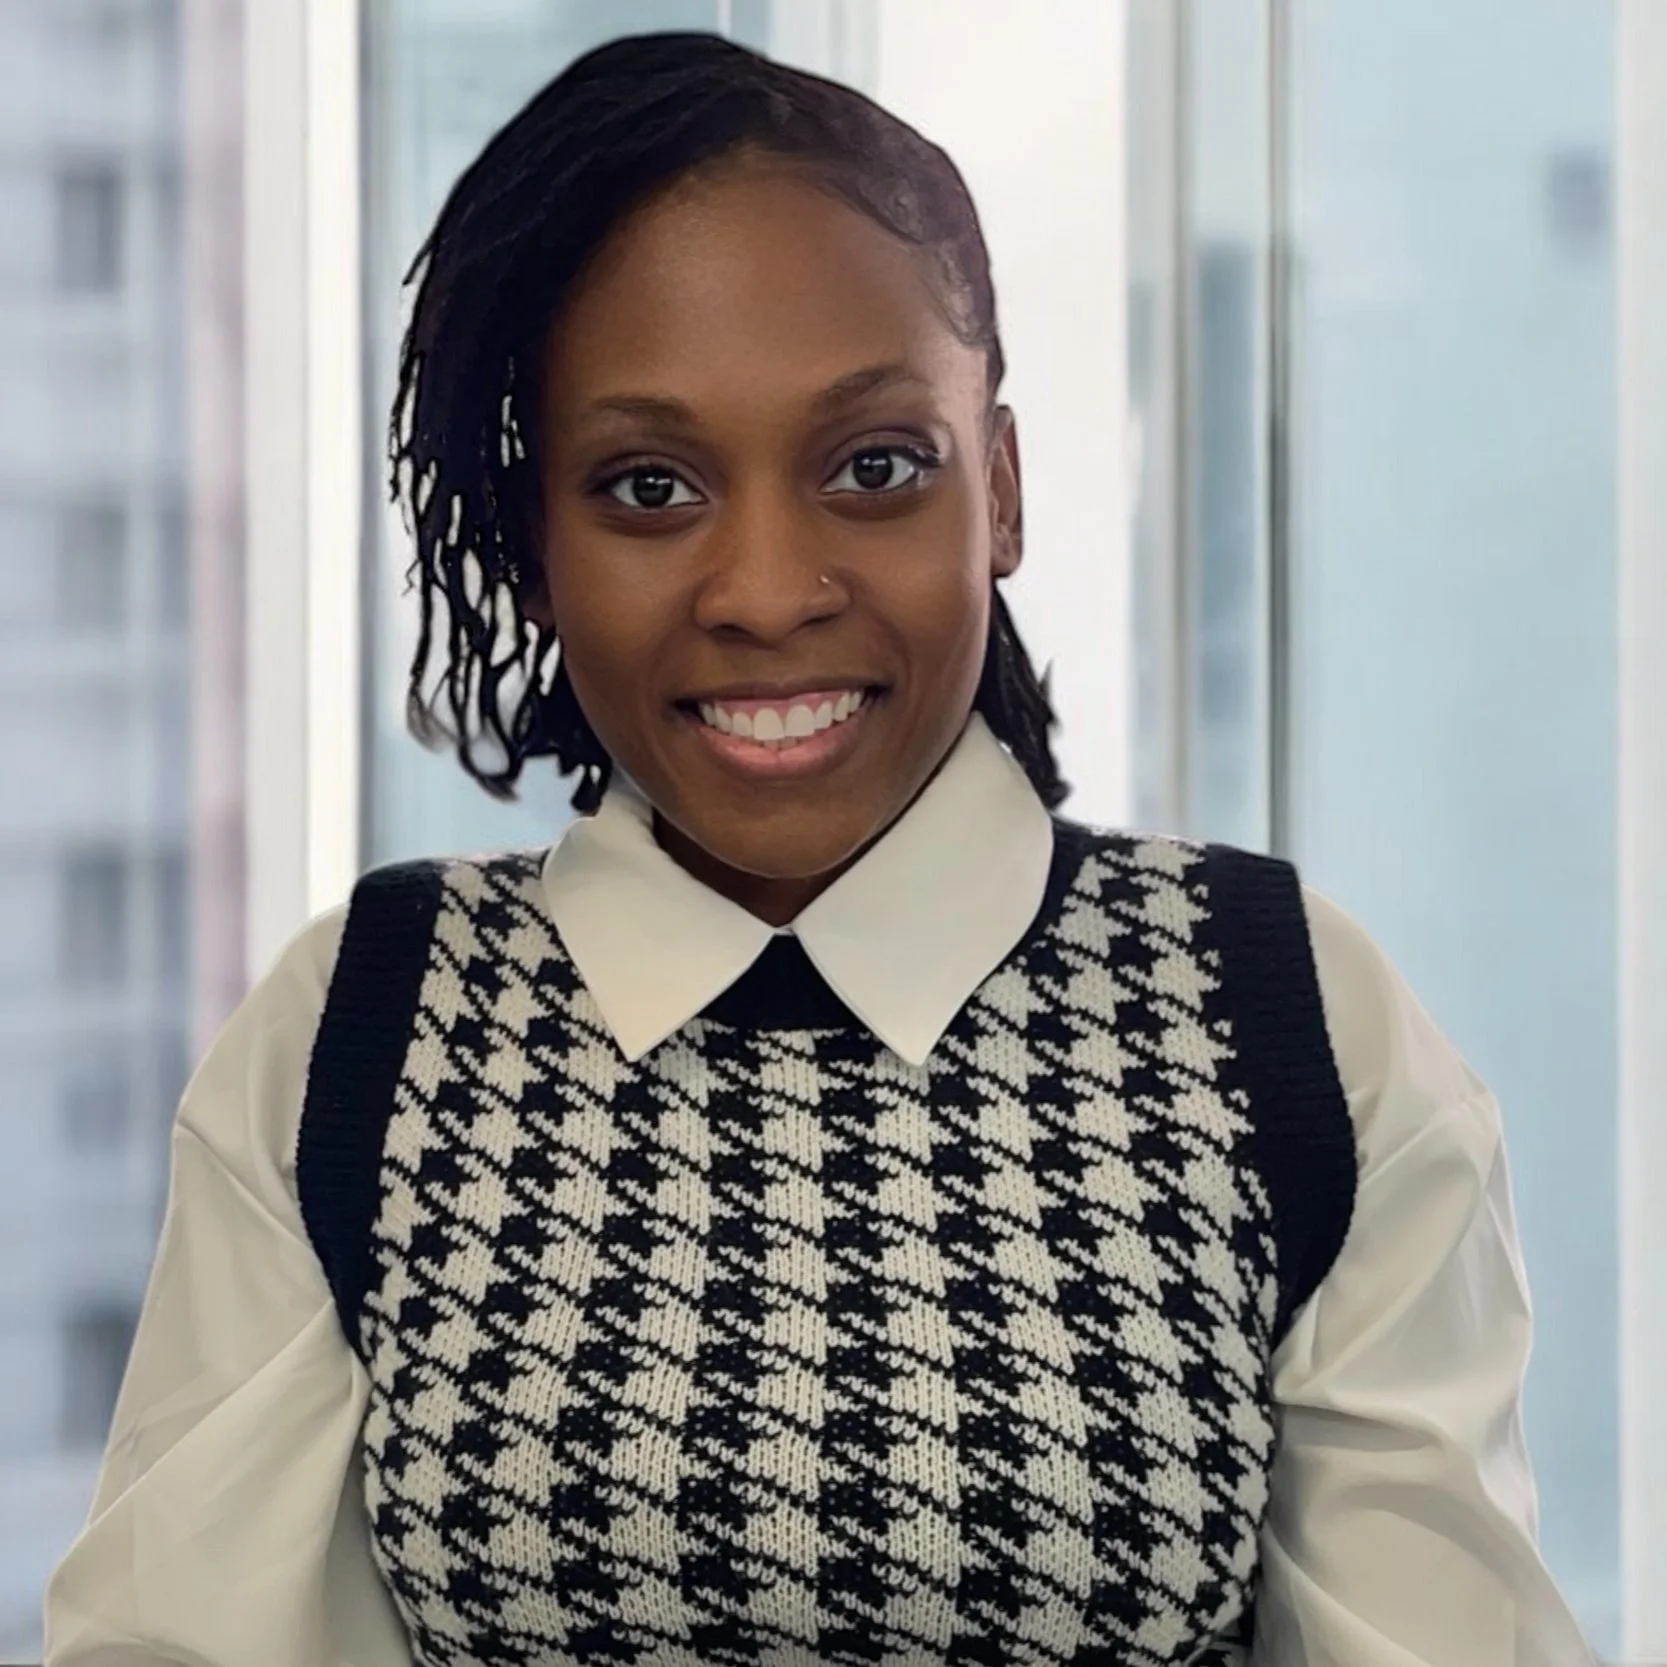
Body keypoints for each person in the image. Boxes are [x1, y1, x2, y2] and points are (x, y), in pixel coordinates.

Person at [43, 30, 1596, 1667]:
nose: (767, 588)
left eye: (873, 466)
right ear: (531, 544)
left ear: (995, 488)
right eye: (648, 486)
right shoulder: (363, 1031)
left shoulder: (1285, 1019)